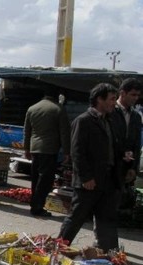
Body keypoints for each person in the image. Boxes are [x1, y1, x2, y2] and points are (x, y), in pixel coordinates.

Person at [58, 83, 121, 252]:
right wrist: (86, 177)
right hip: (89, 181)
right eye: (112, 99)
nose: (115, 103)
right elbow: (77, 152)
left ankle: (110, 257)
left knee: (106, 220)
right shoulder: (83, 121)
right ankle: (58, 249)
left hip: (107, 180)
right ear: (99, 100)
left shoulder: (110, 121)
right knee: (76, 217)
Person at [23, 86, 71, 217]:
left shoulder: (32, 108)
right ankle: (37, 206)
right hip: (49, 149)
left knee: (35, 178)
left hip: (34, 148)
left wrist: (26, 148)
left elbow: (26, 131)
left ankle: (35, 204)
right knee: (45, 180)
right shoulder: (58, 109)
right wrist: (67, 151)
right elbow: (64, 132)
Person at [110, 78, 142, 192]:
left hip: (125, 167)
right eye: (133, 94)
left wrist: (134, 168)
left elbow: (136, 144)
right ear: (122, 93)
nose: (136, 98)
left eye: (137, 95)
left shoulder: (136, 116)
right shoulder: (110, 112)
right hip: (109, 167)